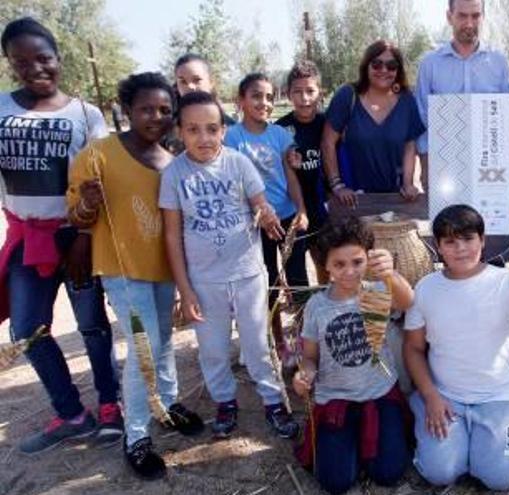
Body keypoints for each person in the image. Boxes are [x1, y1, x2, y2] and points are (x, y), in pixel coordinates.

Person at [67, 72, 204, 479]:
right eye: (146, 108)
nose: (155, 116)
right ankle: (137, 436)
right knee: (144, 347)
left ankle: (167, 404)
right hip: (122, 270)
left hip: (164, 268)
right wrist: (89, 204)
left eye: (165, 110)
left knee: (163, 343)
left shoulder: (172, 162)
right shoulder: (98, 155)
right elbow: (76, 215)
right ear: (127, 110)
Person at [0, 17, 122, 454]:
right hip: (26, 239)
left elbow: (102, 183)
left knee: (91, 325)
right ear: (10, 65)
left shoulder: (85, 115)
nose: (35, 68)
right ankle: (71, 413)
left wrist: (87, 237)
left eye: (43, 58)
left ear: (59, 59)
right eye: (21, 61)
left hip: (77, 236)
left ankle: (111, 406)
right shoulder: (1, 109)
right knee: (27, 329)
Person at [159, 91, 298, 440]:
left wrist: (265, 214)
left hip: (248, 274)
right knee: (214, 349)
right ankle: (225, 403)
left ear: (223, 130)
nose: (203, 138)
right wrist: (184, 288)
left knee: (257, 345)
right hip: (204, 281)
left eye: (211, 129)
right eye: (193, 130)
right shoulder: (174, 174)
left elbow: (259, 202)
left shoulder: (238, 163)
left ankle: (273, 401)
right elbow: (173, 236)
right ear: (180, 131)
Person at [403, 205, 509, 491]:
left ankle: (495, 437)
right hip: (445, 397)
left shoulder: (508, 282)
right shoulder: (426, 289)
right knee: (439, 472)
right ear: (438, 247)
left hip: (501, 398)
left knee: (502, 477)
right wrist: (431, 395)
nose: (461, 248)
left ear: (483, 240)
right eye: (450, 242)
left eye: (468, 239)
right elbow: (413, 349)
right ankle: (441, 427)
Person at [293, 215, 414, 495]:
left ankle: (370, 441)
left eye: (357, 262)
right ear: (325, 265)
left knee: (388, 473)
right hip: (336, 398)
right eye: (339, 264)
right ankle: (350, 442)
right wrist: (306, 374)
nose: (349, 271)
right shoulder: (317, 306)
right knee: (335, 483)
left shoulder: (379, 291)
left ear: (368, 258)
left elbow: (408, 301)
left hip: (380, 393)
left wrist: (390, 273)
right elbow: (310, 357)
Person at [224, 73, 308, 364]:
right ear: (241, 101)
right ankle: (278, 343)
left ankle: (303, 340)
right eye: (257, 96)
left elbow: (290, 176)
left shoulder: (280, 135)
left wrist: (301, 210)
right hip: (254, 226)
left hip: (286, 218)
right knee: (267, 283)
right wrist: (261, 214)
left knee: (298, 280)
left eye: (270, 97)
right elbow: (236, 184)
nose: (265, 102)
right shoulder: (232, 138)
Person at [414, 0, 509, 183]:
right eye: (462, 16)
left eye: (475, 16)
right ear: (449, 17)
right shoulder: (430, 64)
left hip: (490, 167)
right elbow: (421, 116)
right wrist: (425, 162)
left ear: (483, 18)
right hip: (442, 166)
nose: (469, 23)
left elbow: (508, 117)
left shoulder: (499, 63)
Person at [322, 40, 424, 207]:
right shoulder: (348, 96)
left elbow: (409, 145)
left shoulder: (407, 100)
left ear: (398, 70)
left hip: (395, 198)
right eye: (377, 64)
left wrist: (407, 183)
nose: (384, 70)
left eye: (391, 65)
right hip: (352, 199)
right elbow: (327, 142)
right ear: (366, 66)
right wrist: (337, 186)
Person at [274, 60, 330, 285]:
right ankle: (300, 314)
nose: (304, 98)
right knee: (296, 273)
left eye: (310, 91)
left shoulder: (329, 124)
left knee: (325, 262)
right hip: (292, 211)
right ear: (288, 94)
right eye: (298, 92)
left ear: (320, 93)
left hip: (323, 208)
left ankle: (325, 308)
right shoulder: (280, 128)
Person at [162, 53, 236, 154]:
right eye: (183, 82)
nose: (190, 86)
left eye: (197, 80)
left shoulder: (231, 128)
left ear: (211, 82)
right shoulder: (166, 127)